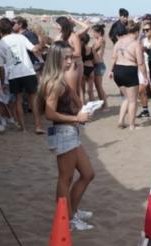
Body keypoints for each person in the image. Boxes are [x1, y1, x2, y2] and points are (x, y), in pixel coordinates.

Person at [38, 41, 96, 231]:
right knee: (65, 178)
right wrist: (76, 118)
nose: (71, 60)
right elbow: (49, 114)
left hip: (70, 131)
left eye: (72, 56)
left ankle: (72, 211)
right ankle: (67, 218)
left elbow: (76, 101)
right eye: (67, 57)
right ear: (56, 59)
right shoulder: (54, 83)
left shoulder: (61, 79)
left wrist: (82, 112)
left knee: (88, 174)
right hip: (64, 132)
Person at [0, 18, 45, 134]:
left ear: (0, 30)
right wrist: (41, 41)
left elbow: (1, 67)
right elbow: (35, 49)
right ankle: (38, 126)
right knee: (33, 99)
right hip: (28, 72)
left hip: (13, 75)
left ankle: (23, 128)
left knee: (18, 101)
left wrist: (2, 83)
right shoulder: (21, 37)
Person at [109, 22, 147, 130]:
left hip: (118, 71)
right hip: (129, 71)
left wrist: (111, 71)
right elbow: (140, 63)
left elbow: (113, 58)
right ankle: (132, 125)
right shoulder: (136, 44)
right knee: (133, 100)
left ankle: (121, 121)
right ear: (136, 32)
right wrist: (145, 77)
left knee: (126, 98)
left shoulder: (118, 42)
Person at [89, 24, 108, 107]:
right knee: (97, 87)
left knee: (99, 87)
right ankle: (103, 104)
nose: (93, 34)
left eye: (94, 32)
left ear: (99, 32)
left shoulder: (101, 40)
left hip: (99, 65)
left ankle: (105, 105)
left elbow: (93, 49)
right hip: (96, 64)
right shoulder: (97, 39)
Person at [80, 33, 96, 102]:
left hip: (83, 69)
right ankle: (92, 108)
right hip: (91, 69)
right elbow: (95, 60)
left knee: (82, 91)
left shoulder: (80, 49)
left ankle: (83, 107)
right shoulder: (91, 49)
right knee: (90, 91)